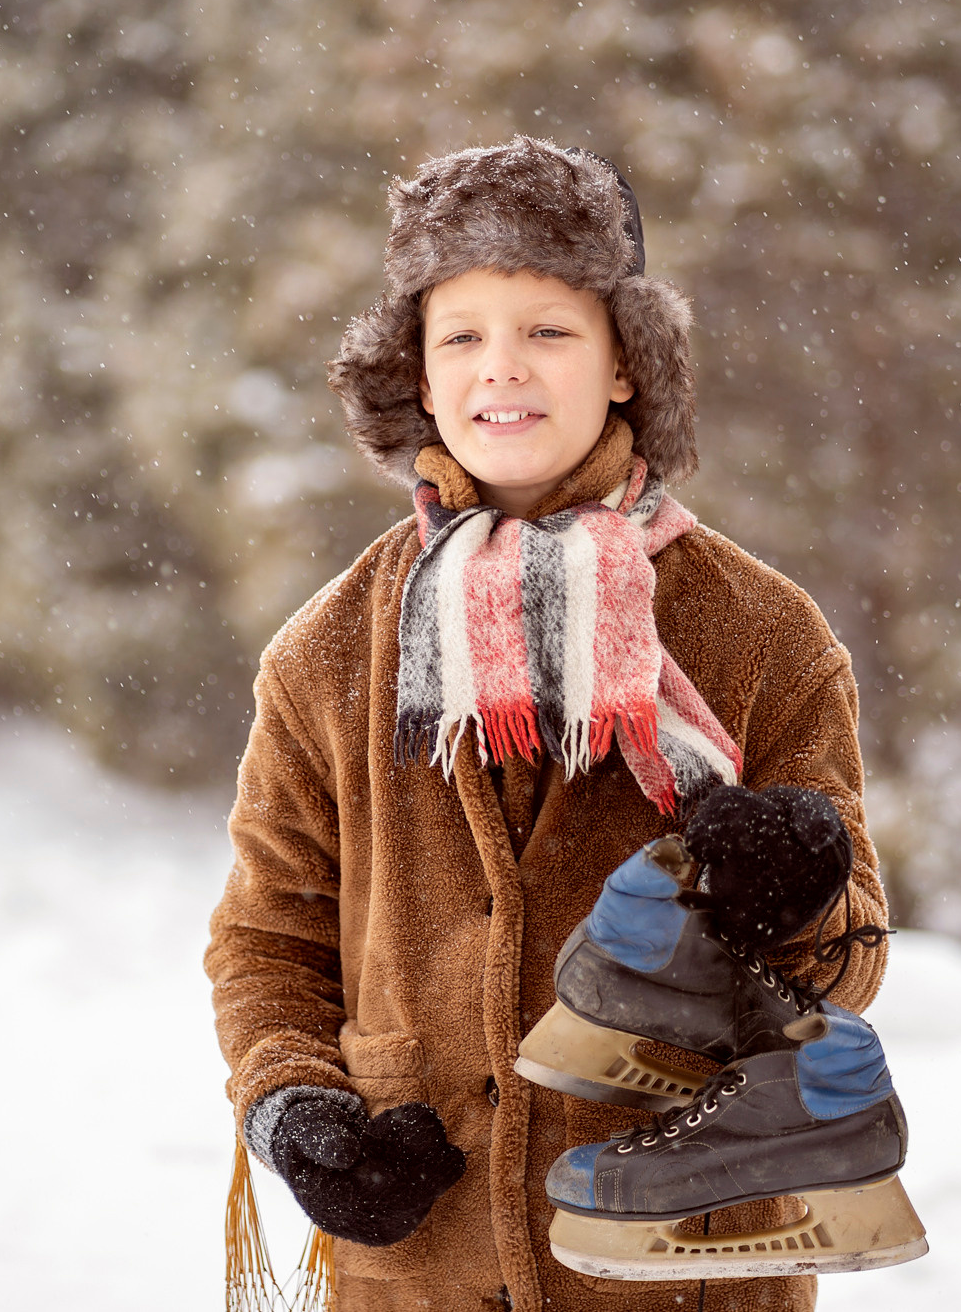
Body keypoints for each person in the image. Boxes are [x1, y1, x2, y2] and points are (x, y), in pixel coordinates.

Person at [204, 137, 890, 1312]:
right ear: (416, 374)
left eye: (548, 330)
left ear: (627, 362)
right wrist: (296, 1104)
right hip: (417, 1273)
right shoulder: (326, 653)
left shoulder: (761, 633)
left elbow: (852, 958)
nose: (499, 369)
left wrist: (795, 885)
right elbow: (270, 939)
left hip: (683, 1269)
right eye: (460, 333)